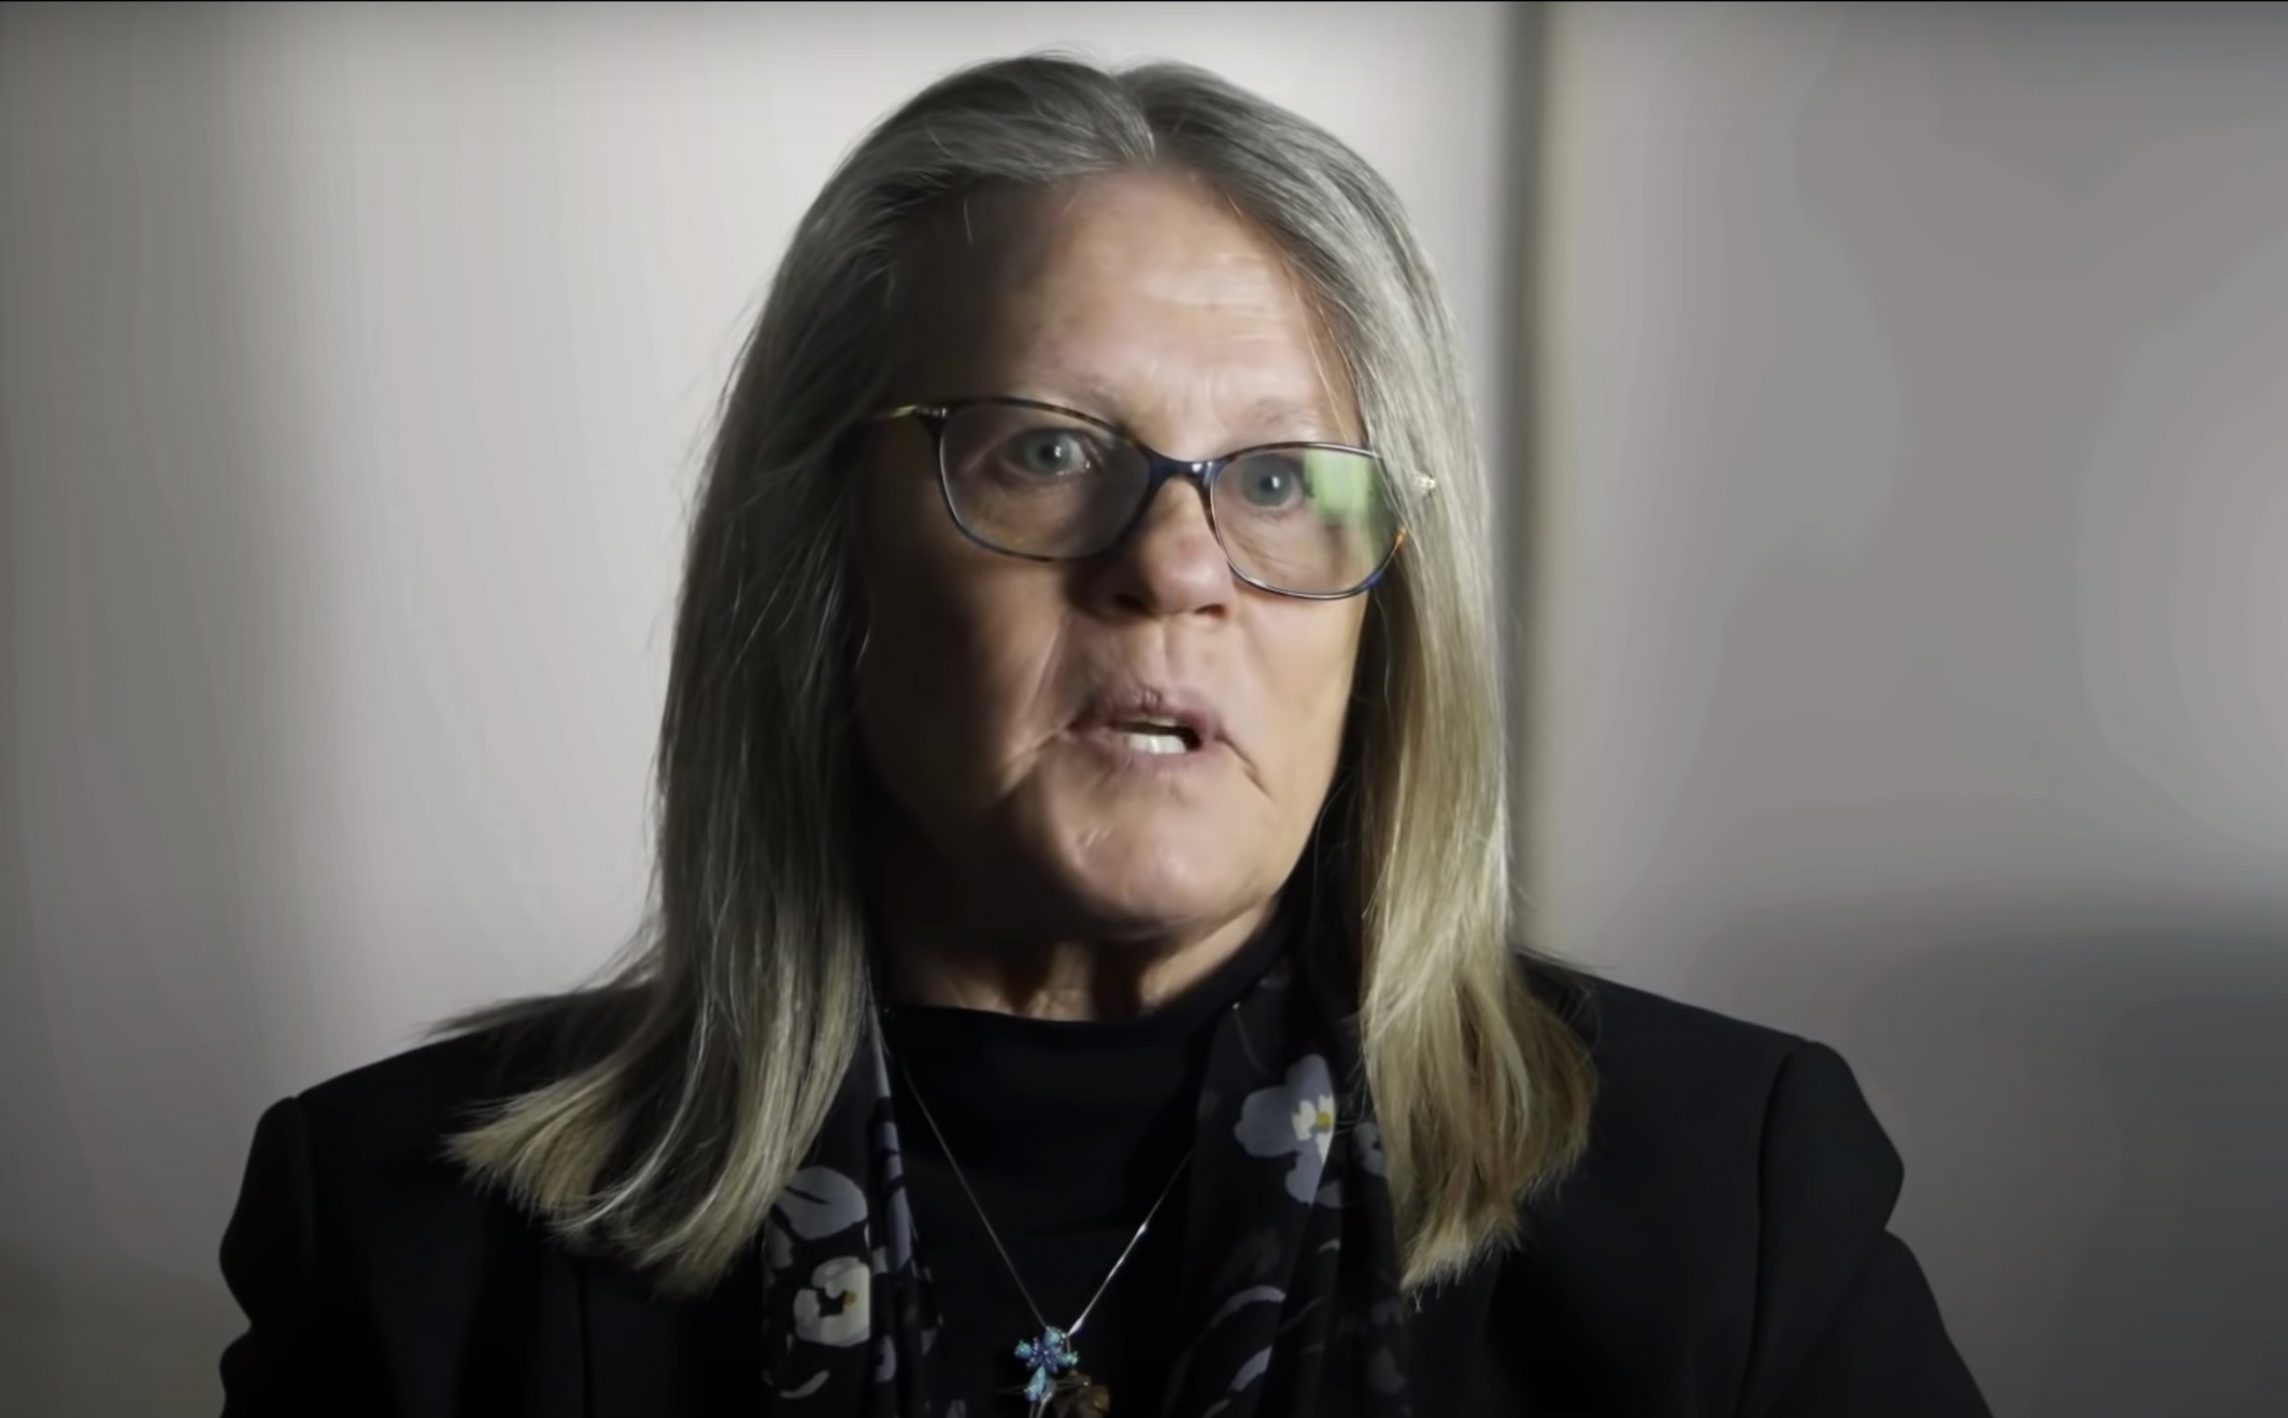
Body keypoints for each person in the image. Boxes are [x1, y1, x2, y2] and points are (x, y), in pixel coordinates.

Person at [215, 53, 1990, 1418]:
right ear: (824, 558)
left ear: (1387, 615)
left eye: (1281, 481)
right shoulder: (403, 1243)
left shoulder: (1732, 1203)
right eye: (1048, 451)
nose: (1175, 566)